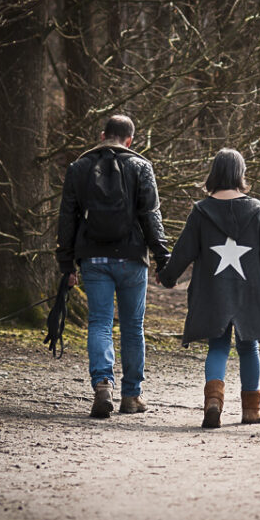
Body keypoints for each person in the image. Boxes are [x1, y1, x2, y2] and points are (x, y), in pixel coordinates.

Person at [159, 148, 260, 428]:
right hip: (249, 292)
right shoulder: (258, 211)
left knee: (218, 347)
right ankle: (251, 410)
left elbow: (183, 251)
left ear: (214, 173)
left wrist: (167, 277)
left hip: (212, 291)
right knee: (248, 348)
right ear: (241, 174)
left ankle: (213, 402)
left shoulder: (200, 212)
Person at [56, 115, 170, 418]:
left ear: (103, 135)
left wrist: (66, 264)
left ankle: (102, 384)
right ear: (130, 140)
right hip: (132, 258)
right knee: (133, 327)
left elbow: (67, 218)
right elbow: (151, 216)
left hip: (94, 259)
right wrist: (163, 259)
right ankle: (132, 395)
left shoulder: (78, 168)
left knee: (100, 323)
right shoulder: (141, 167)